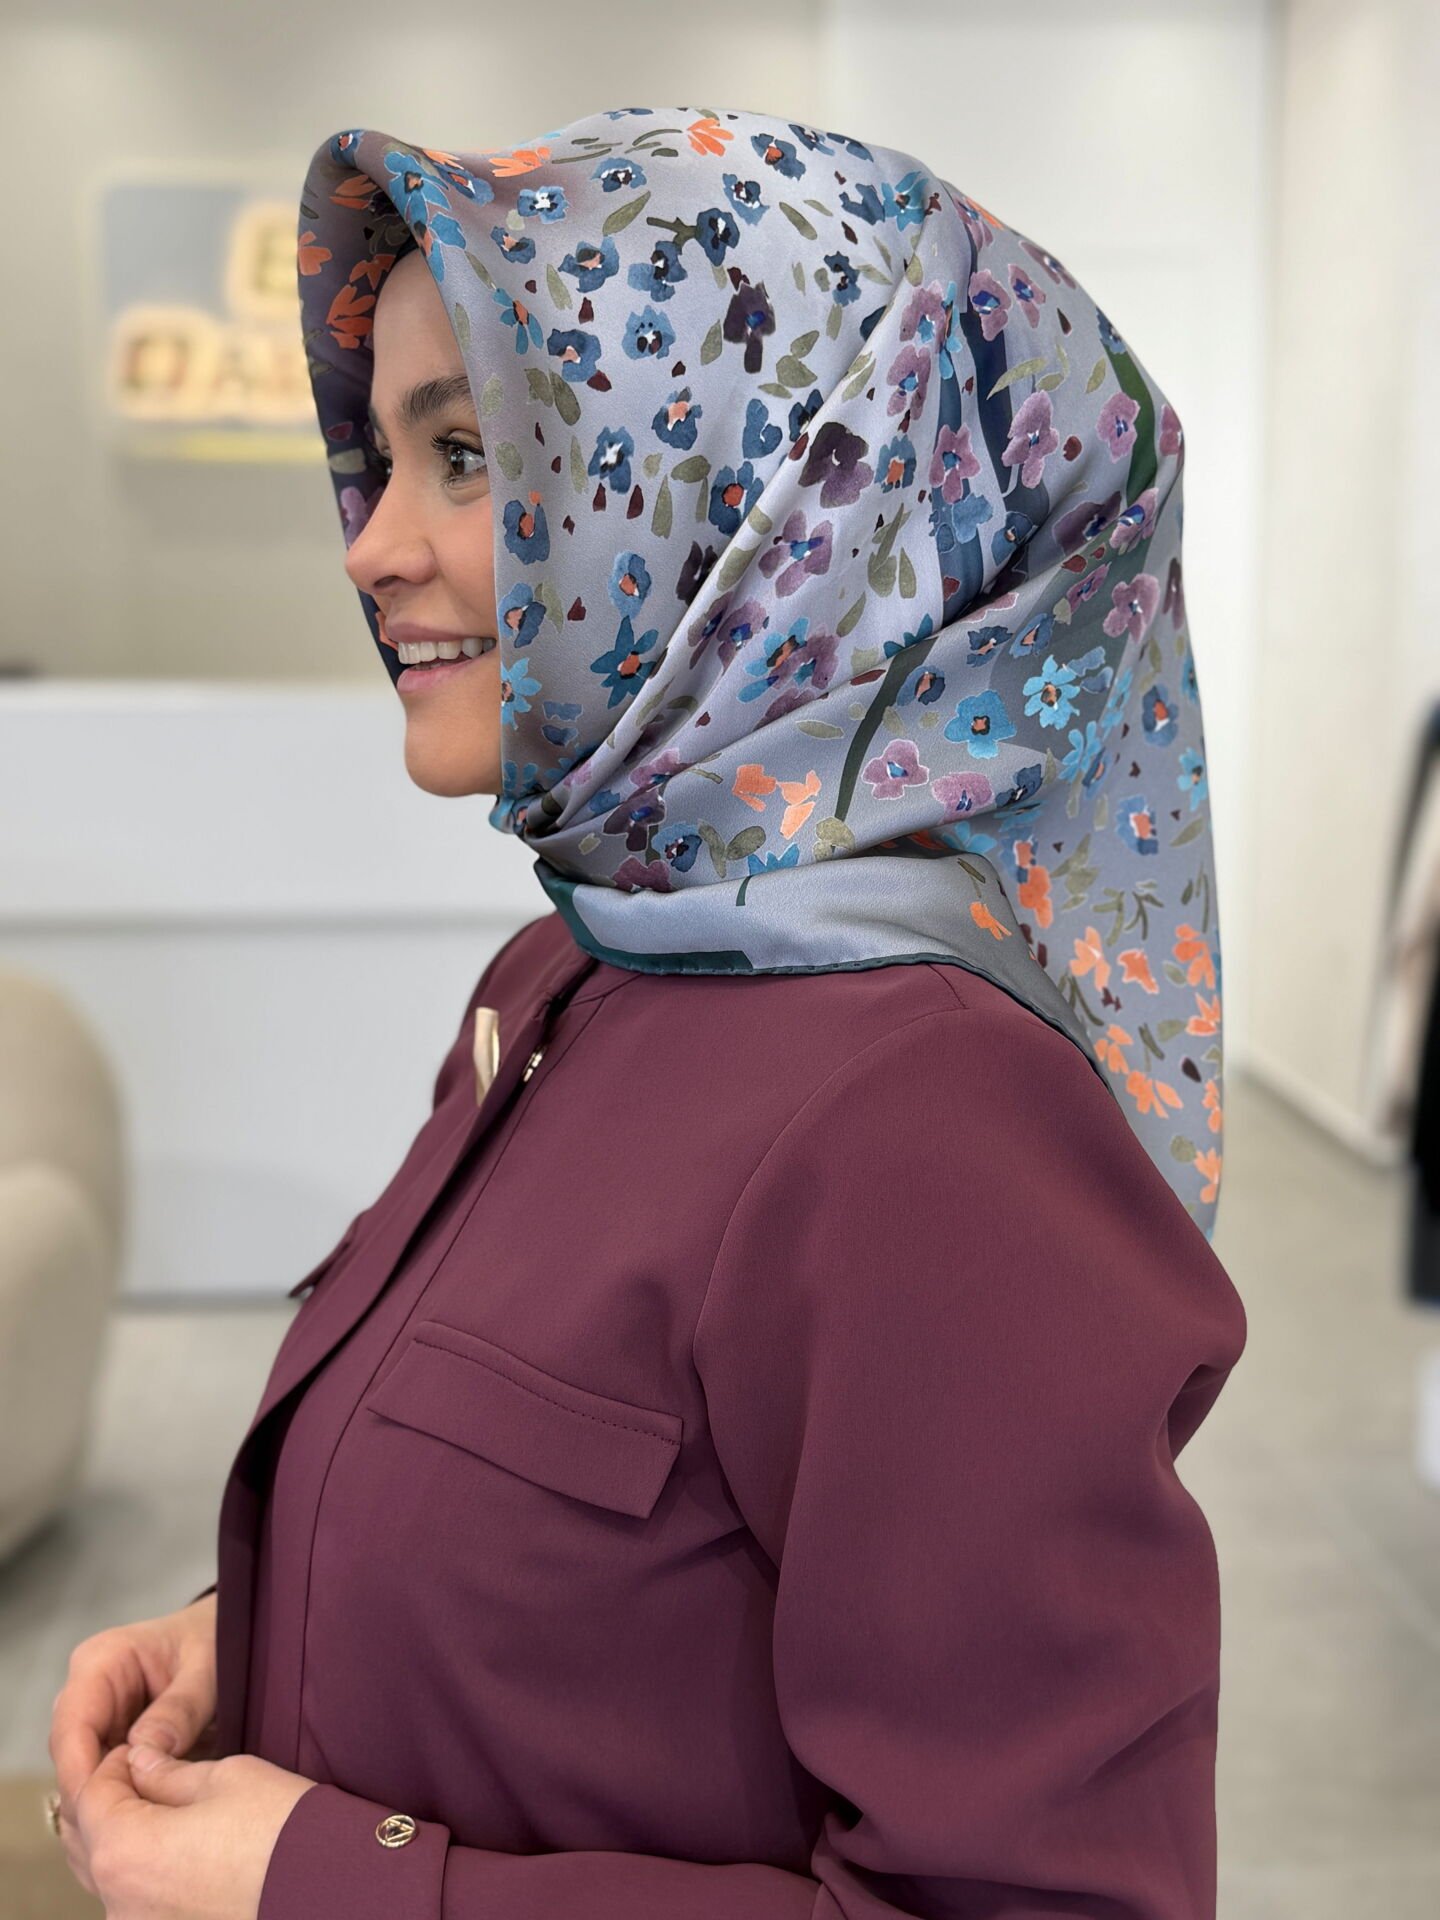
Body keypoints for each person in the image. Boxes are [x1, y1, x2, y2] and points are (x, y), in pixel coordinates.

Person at [48, 104, 1246, 1919]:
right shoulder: (578, 970)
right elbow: (590, 1592)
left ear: (777, 508)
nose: (371, 547)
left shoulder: (929, 1123)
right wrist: (258, 1634)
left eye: (468, 454)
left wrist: (331, 1881)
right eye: (387, 456)